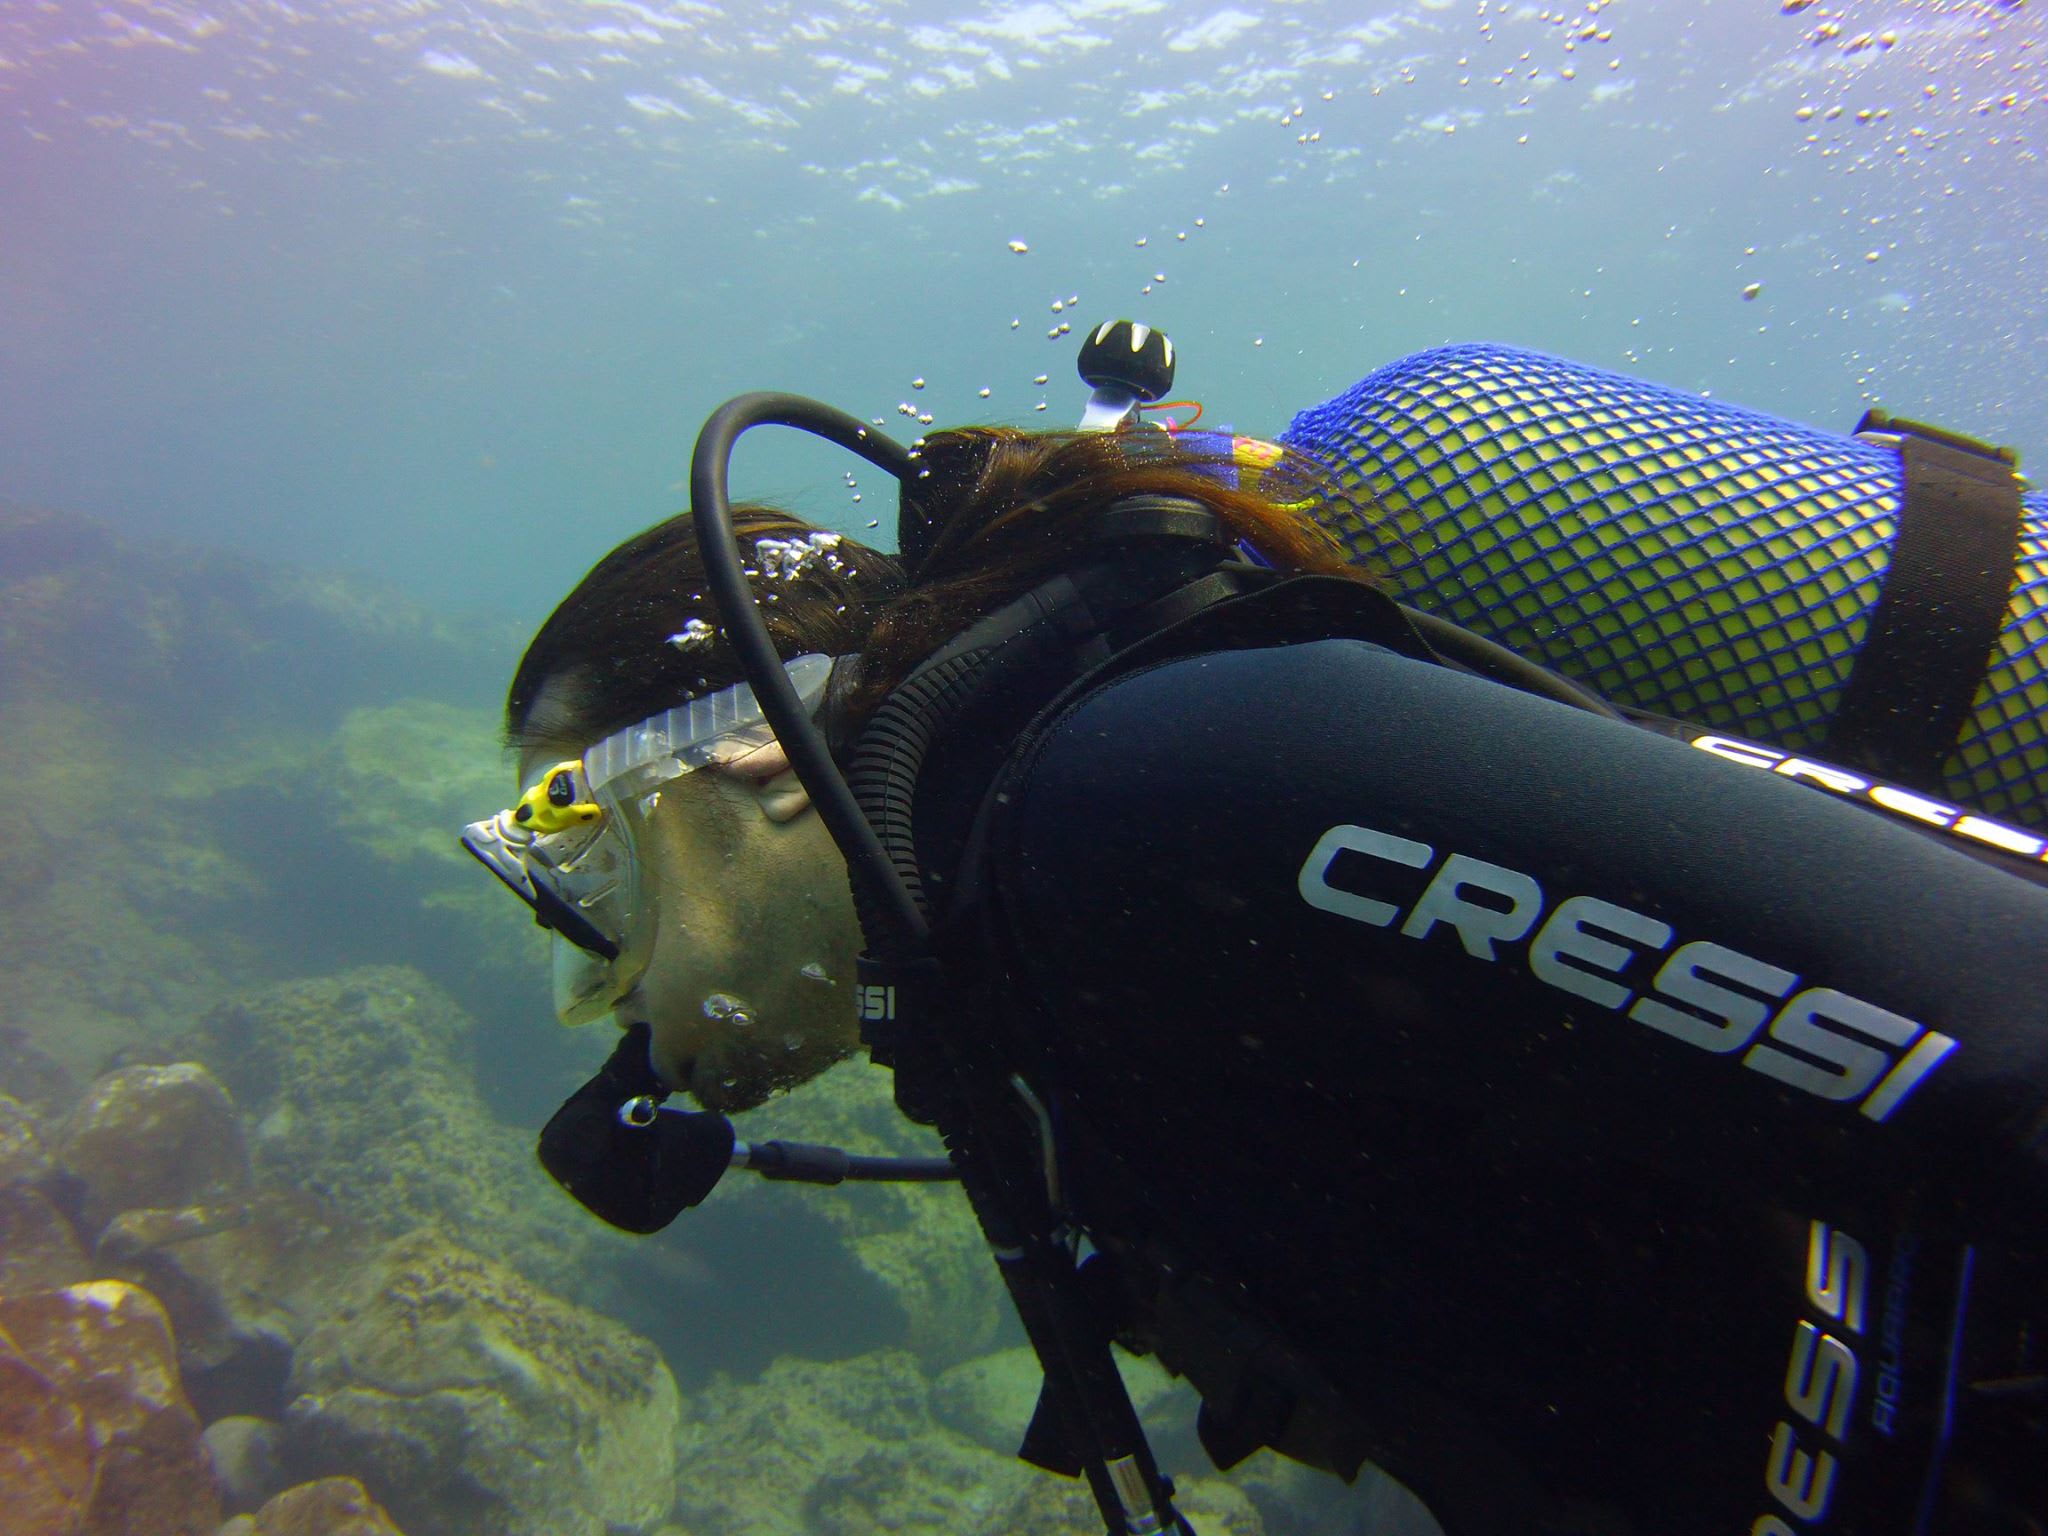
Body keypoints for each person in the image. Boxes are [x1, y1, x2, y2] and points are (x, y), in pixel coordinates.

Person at [466, 371, 2048, 1535]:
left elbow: (2000, 1046)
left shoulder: (1138, 794)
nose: (605, 996)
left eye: (591, 876)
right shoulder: (1046, 952)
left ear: (752, 751)